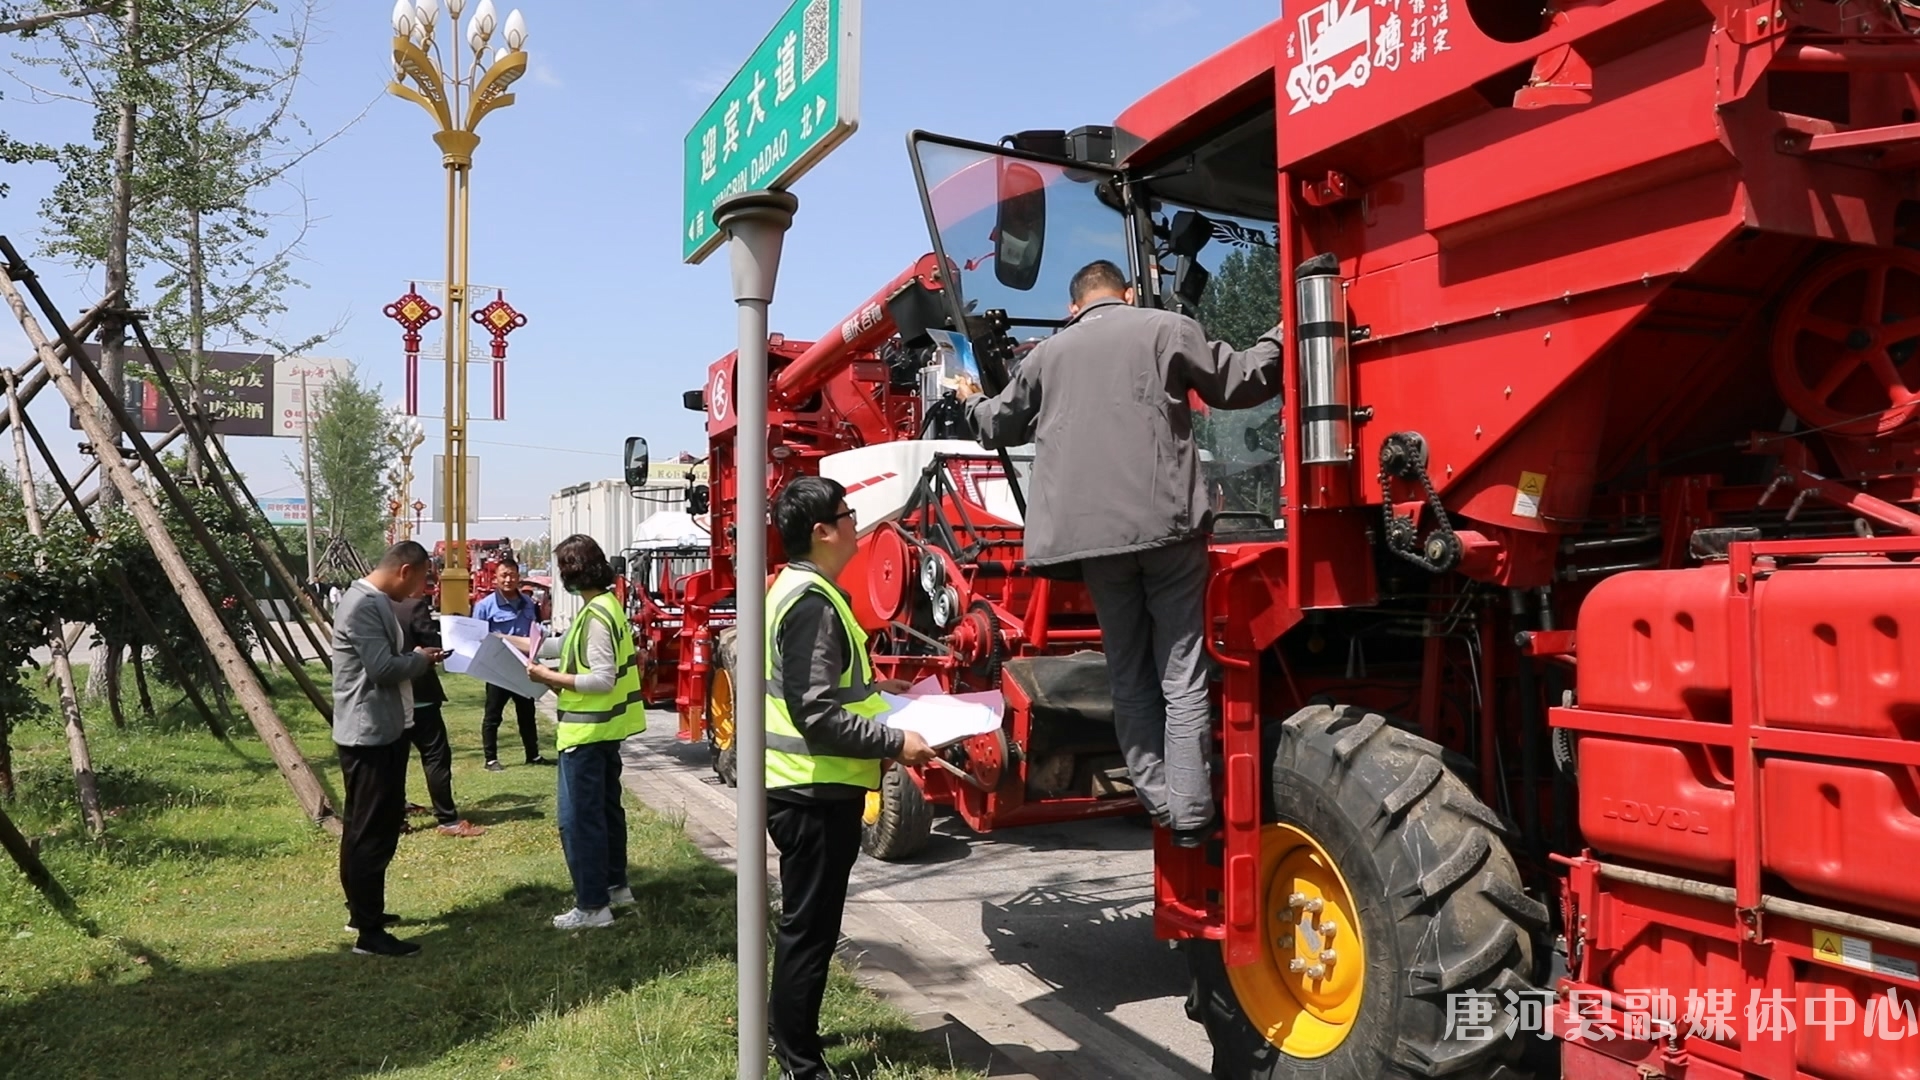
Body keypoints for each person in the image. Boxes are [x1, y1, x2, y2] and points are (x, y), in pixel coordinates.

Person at [955, 259, 1282, 848]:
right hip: (1168, 532)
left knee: (1129, 675)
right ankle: (1188, 814)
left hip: (1093, 546)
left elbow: (999, 423)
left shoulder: (1046, 356)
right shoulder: (1165, 328)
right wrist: (1284, 333)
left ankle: (1156, 798)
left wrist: (972, 400)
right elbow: (1242, 383)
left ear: (1073, 306)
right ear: (1127, 294)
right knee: (1181, 675)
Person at [763, 476, 937, 1080]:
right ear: (822, 531)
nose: (856, 522)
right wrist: (897, 741)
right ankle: (798, 1063)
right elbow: (815, 713)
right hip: (813, 791)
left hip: (806, 787)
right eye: (848, 513)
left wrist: (877, 693)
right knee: (810, 930)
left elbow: (823, 691)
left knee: (806, 925)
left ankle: (787, 1037)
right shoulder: (812, 602)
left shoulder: (797, 590)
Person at [330, 541, 447, 957]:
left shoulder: (371, 600)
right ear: (404, 570)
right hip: (370, 734)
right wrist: (419, 659)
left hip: (381, 729)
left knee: (366, 827)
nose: (419, 590)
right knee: (371, 832)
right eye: (420, 580)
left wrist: (413, 657)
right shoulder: (363, 604)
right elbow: (381, 670)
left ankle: (363, 910)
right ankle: (368, 930)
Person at [523, 535, 646, 930]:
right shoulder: (605, 607)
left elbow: (601, 680)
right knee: (606, 812)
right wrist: (520, 644)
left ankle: (592, 907)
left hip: (586, 734)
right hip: (605, 730)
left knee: (578, 820)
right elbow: (566, 646)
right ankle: (614, 886)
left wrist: (548, 677)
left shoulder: (595, 616)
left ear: (571, 573)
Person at [392, 584, 486, 839]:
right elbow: (433, 644)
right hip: (420, 695)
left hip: (390, 697)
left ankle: (396, 819)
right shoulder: (414, 607)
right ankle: (447, 819)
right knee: (435, 758)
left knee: (395, 762)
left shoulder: (375, 605)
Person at [474, 560, 549, 771]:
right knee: (492, 715)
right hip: (497, 669)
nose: (508, 580)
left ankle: (533, 755)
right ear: (495, 578)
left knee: (527, 713)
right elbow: (476, 637)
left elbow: (536, 631)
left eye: (512, 575)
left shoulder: (529, 604)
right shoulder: (484, 606)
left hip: (523, 667)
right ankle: (491, 759)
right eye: (504, 575)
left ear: (518, 577)